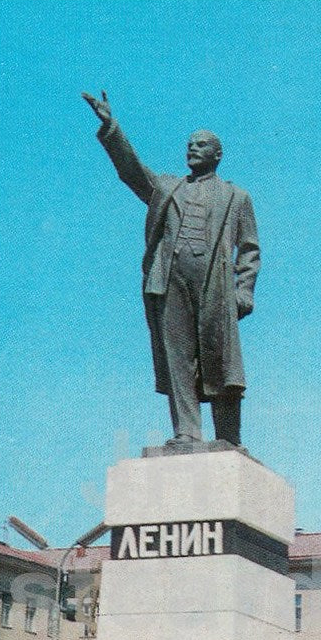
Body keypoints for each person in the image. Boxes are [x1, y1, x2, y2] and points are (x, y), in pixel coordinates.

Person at [82, 91, 260, 448]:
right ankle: (187, 431)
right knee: (178, 356)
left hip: (215, 285)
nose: (192, 148)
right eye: (190, 144)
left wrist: (243, 290)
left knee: (220, 359)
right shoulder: (167, 187)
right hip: (171, 282)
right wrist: (111, 128)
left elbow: (251, 250)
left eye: (201, 145)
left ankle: (227, 436)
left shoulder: (237, 197)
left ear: (217, 155)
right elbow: (132, 171)